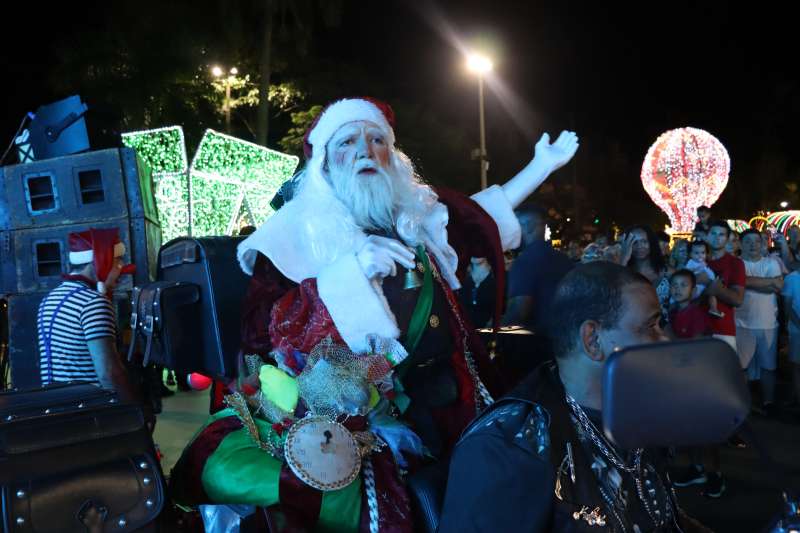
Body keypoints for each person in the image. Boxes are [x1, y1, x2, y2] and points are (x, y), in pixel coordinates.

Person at [172, 97, 579, 532]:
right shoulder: (293, 233)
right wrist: (350, 274)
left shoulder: (415, 217)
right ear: (324, 163)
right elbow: (265, 335)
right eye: (347, 142)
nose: (365, 151)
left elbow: (477, 218)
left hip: (455, 404)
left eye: (377, 140)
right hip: (356, 420)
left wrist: (540, 167)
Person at [439, 262, 708, 532]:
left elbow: (659, 515)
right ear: (593, 340)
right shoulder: (507, 448)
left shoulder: (633, 411)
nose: (664, 339)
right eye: (650, 326)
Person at [37, 228, 136, 401]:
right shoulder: (93, 303)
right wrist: (136, 408)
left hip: (57, 403)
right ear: (100, 261)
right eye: (118, 262)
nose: (122, 272)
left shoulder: (49, 299)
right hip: (90, 406)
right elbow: (109, 373)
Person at [503, 205, 575, 330]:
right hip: (564, 336)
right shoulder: (565, 260)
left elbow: (517, 313)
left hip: (536, 338)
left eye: (516, 227)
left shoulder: (524, 262)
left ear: (529, 226)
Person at [737, 229, 783, 413]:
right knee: (742, 368)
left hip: (768, 323)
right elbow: (771, 285)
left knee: (768, 367)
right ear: (741, 244)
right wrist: (768, 283)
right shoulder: (737, 264)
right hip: (741, 324)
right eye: (748, 241)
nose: (753, 245)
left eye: (756, 241)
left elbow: (778, 286)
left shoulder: (771, 263)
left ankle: (768, 402)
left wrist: (745, 282)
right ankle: (744, 404)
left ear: (762, 243)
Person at [704, 220, 745, 352]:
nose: (717, 238)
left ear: (727, 239)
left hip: (722, 330)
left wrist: (715, 288)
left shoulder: (735, 263)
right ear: (707, 236)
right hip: (695, 329)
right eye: (713, 233)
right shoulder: (696, 260)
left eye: (721, 234)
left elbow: (738, 300)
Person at [620, 225, 671, 313]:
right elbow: (614, 292)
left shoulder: (668, 272)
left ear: (652, 243)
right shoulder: (622, 270)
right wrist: (623, 259)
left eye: (644, 241)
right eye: (634, 242)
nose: (639, 246)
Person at [667, 269, 713, 339]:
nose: (678, 289)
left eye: (683, 285)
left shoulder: (696, 314)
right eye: (674, 285)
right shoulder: (672, 313)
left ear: (693, 290)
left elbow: (697, 342)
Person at [686, 240, 723, 317]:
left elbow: (708, 271)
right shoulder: (691, 262)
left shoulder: (704, 263)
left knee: (712, 296)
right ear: (690, 254)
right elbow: (687, 273)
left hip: (705, 286)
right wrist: (696, 269)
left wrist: (713, 279)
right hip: (696, 286)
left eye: (703, 253)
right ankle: (688, 309)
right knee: (692, 295)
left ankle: (713, 308)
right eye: (696, 253)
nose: (700, 255)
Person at [781, 268, 800, 409]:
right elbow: (787, 307)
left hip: (796, 329)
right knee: (797, 366)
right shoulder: (791, 278)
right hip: (796, 330)